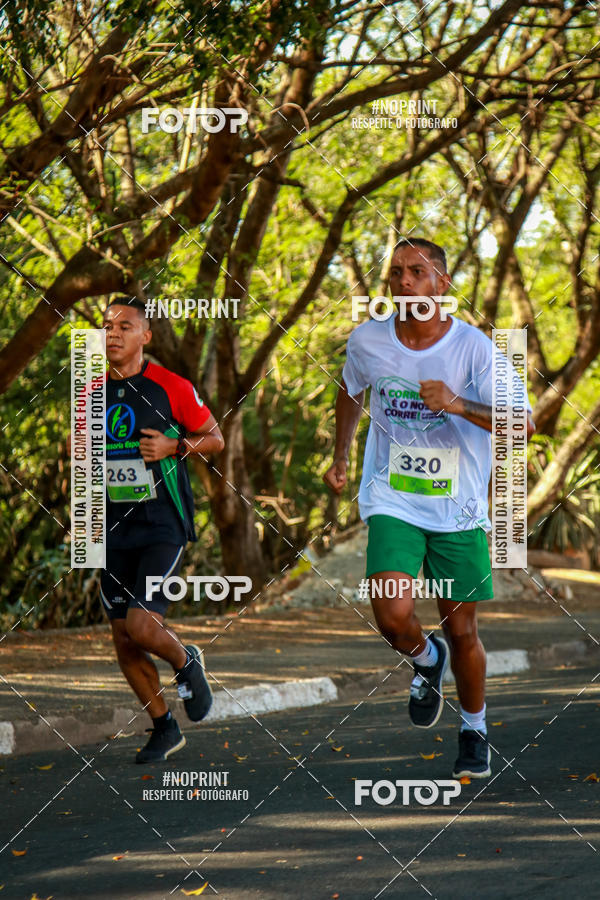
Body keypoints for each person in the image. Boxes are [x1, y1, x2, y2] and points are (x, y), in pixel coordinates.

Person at [324, 239, 534, 778]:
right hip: (392, 497)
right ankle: (424, 657)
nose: (404, 281)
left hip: (458, 509)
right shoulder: (368, 339)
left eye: (418, 271)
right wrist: (342, 452)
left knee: (462, 632)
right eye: (396, 272)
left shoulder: (475, 349)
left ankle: (474, 727)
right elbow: (352, 389)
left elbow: (524, 425)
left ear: (442, 285)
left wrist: (458, 403)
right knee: (392, 613)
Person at [100, 298, 224, 763]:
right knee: (122, 638)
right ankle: (163, 726)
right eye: (107, 326)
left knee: (142, 625)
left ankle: (186, 660)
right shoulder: (90, 391)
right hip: (110, 527)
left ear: (145, 336)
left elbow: (215, 437)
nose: (113, 333)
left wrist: (175, 445)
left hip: (161, 524)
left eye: (124, 326)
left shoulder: (170, 385)